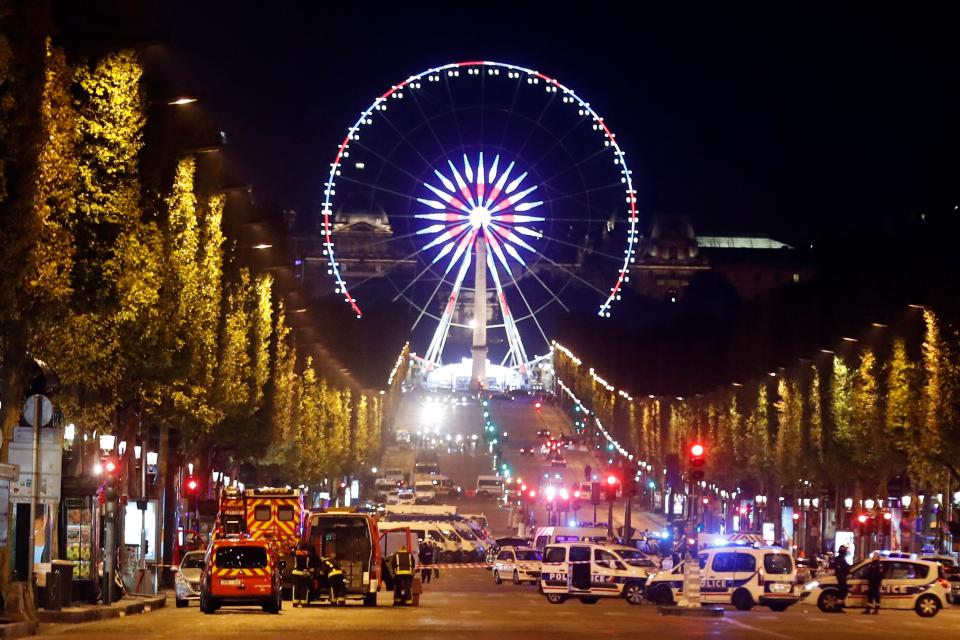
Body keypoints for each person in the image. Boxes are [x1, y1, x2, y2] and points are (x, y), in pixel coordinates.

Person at [291, 542, 312, 607]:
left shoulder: (295, 552)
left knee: (296, 587)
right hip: (305, 573)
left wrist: (293, 548)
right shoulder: (308, 553)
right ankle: (304, 602)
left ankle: (295, 602)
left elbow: (291, 552)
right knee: (304, 587)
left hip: (296, 572)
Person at [833, 545, 850, 612]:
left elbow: (846, 567)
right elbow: (841, 569)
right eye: (845, 551)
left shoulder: (841, 558)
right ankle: (838, 606)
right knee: (842, 592)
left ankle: (840, 604)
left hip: (842, 578)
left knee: (843, 592)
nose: (846, 552)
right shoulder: (840, 559)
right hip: (841, 579)